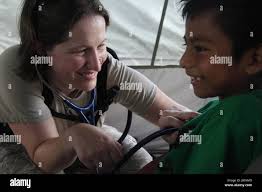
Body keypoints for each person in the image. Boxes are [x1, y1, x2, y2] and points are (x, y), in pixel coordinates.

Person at [0, 0, 191, 174]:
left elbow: (175, 113)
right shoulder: (17, 67)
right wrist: (74, 136)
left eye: (101, 46)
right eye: (81, 51)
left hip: (85, 137)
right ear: (40, 50)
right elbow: (43, 160)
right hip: (23, 149)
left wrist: (182, 125)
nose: (97, 65)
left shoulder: (108, 68)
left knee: (141, 163)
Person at [150, 0, 262, 174]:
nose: (183, 61)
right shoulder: (223, 108)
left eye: (200, 48)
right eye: (186, 45)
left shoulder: (235, 114)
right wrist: (185, 140)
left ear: (254, 59)